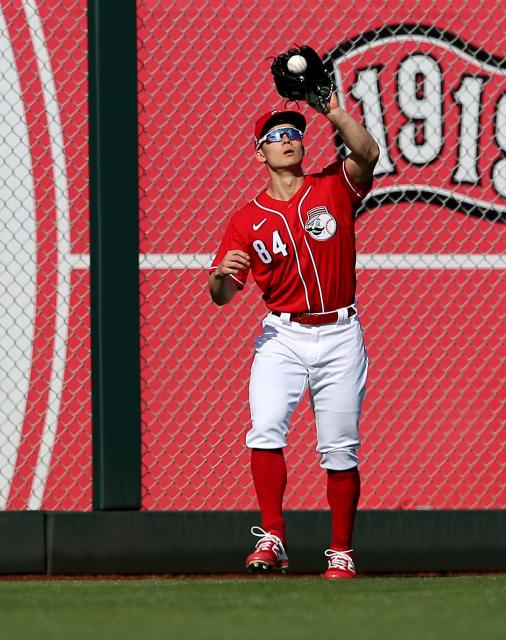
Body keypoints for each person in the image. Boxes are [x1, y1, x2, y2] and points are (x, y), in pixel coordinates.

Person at [207, 90, 379, 578]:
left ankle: (341, 551)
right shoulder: (246, 219)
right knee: (265, 427)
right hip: (282, 336)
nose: (288, 141)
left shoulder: (334, 187)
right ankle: (273, 538)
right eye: (276, 137)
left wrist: (332, 111)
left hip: (341, 332)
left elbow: (367, 154)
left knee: (340, 447)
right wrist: (221, 273)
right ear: (259, 153)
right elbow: (221, 294)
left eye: (294, 134)